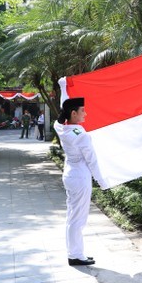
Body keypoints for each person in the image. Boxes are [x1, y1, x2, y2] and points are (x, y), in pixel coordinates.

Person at [54, 98, 109, 266]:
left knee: (72, 216)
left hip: (70, 175)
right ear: (73, 113)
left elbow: (63, 106)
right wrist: (102, 181)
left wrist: (64, 88)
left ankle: (75, 253)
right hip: (80, 178)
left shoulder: (61, 127)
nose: (86, 113)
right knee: (78, 219)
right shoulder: (81, 136)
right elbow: (92, 160)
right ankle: (75, 255)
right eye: (82, 110)